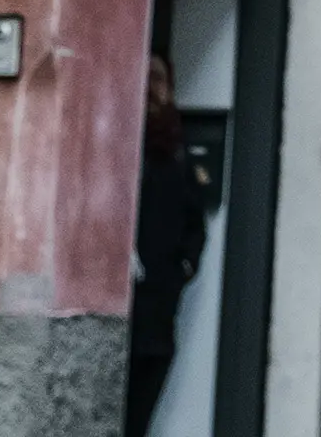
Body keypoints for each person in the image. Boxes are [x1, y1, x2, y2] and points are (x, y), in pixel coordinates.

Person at [126, 54, 209, 437]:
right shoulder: (119, 143)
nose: (150, 89)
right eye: (144, 78)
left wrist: (186, 266)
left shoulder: (176, 154)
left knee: (140, 415)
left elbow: (196, 224)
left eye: (157, 79)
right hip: (122, 303)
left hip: (159, 309)